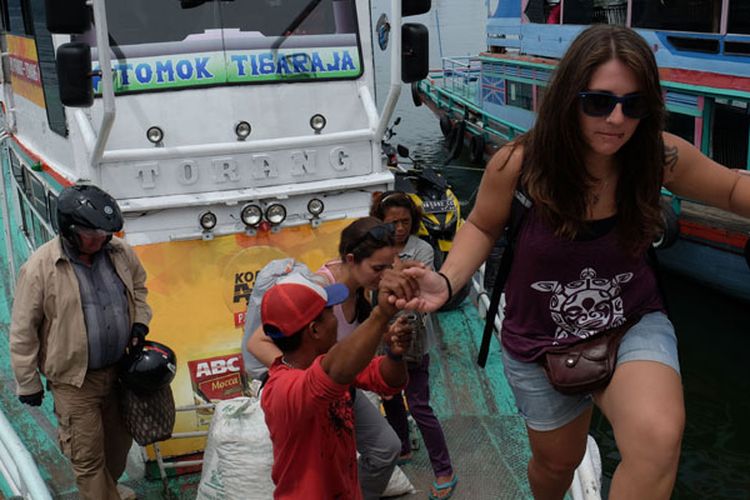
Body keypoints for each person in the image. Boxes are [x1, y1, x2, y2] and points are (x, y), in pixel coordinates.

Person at [390, 25, 750, 500]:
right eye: (599, 102)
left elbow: (727, 188)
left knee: (657, 438)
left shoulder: (656, 158)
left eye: (634, 105)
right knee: (556, 464)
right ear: (568, 99)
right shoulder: (519, 165)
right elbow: (481, 225)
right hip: (540, 339)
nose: (617, 120)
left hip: (630, 320)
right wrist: (448, 279)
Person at [10, 184, 152, 500]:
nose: (102, 240)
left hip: (118, 373)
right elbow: (23, 331)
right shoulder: (40, 268)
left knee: (118, 447)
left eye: (107, 234)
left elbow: (140, 288)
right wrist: (27, 382)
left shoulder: (119, 253)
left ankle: (109, 491)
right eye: (94, 234)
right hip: (75, 382)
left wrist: (140, 322)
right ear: (70, 230)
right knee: (87, 458)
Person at [247, 217, 405, 499]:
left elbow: (388, 379)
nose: (337, 317)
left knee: (385, 447)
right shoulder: (286, 390)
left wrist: (394, 353)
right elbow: (328, 373)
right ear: (315, 329)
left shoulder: (334, 366)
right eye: (330, 313)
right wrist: (381, 316)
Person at [370, 191, 457, 500]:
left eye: (406, 222)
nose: (400, 229)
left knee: (420, 406)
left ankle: (444, 469)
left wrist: (389, 263)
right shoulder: (373, 249)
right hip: (383, 334)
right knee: (390, 396)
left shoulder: (422, 249)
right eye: (393, 223)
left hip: (414, 335)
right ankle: (402, 447)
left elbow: (413, 290)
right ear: (380, 222)